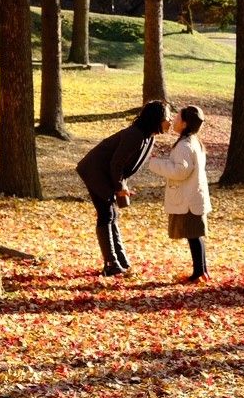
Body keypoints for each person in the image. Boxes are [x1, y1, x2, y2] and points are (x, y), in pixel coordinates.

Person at [76, 100, 171, 276]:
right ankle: (111, 264)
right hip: (95, 171)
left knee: (112, 215)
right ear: (156, 118)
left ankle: (120, 260)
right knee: (107, 215)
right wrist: (119, 187)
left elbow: (123, 166)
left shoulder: (147, 136)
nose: (170, 121)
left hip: (106, 174)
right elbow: (116, 164)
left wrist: (122, 186)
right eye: (167, 117)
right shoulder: (135, 135)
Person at [147, 105, 211, 283]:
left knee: (193, 235)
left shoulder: (185, 145)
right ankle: (202, 271)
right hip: (193, 196)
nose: (173, 120)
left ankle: (199, 272)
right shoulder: (193, 142)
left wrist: (155, 163)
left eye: (177, 118)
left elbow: (180, 171)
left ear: (184, 123)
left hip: (188, 198)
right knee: (195, 235)